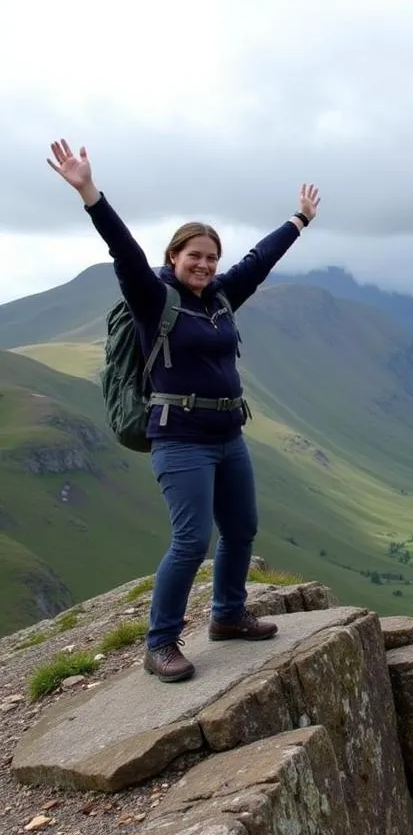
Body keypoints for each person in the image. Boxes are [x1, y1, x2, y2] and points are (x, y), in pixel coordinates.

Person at [46, 139, 321, 683]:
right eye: (194, 255)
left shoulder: (220, 297)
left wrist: (299, 220)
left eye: (211, 257)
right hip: (180, 440)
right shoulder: (153, 299)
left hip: (228, 435)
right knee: (192, 540)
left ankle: (227, 616)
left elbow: (258, 261)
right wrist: (88, 192)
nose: (204, 264)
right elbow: (123, 250)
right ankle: (161, 643)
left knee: (241, 529)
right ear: (173, 257)